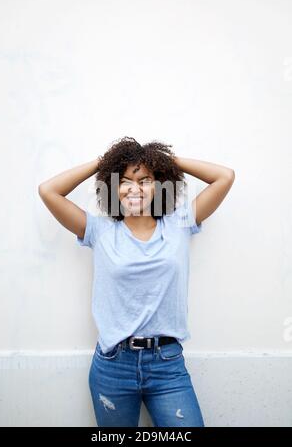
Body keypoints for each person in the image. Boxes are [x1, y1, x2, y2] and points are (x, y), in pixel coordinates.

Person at [38, 136, 235, 427]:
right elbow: (48, 191)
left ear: (159, 185)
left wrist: (163, 160)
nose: (135, 188)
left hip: (168, 365)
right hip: (113, 365)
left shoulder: (179, 224)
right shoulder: (100, 230)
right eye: (126, 180)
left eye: (144, 180)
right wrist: (104, 162)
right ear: (114, 187)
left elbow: (224, 177)